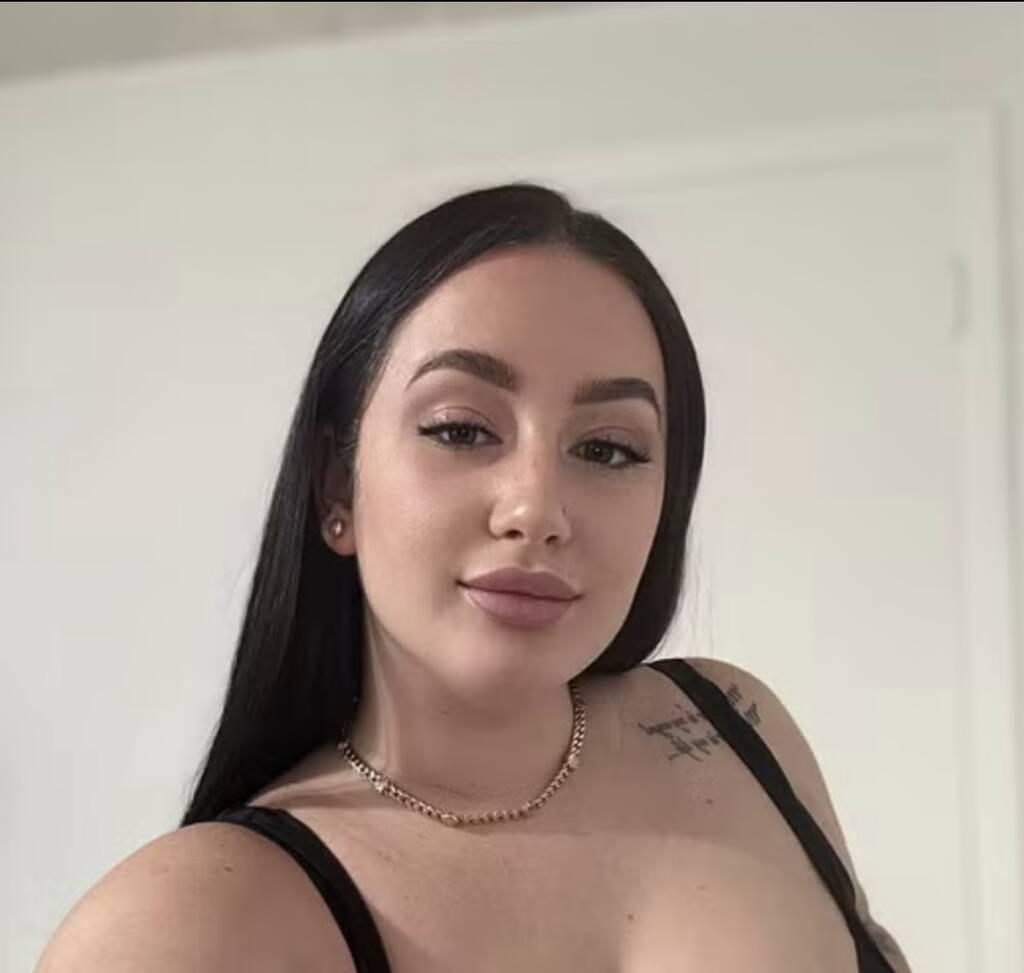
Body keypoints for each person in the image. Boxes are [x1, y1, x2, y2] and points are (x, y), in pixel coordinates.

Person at [35, 182, 912, 973]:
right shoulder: (191, 925)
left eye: (608, 448)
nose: (537, 508)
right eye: (460, 429)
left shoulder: (736, 729)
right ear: (337, 483)